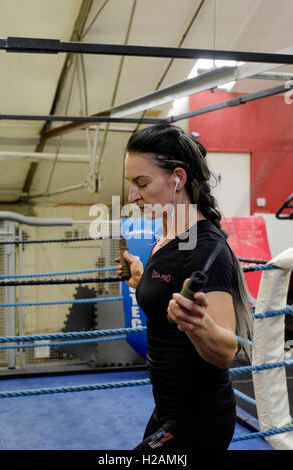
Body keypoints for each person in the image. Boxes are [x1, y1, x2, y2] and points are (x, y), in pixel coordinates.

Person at [115, 123, 253, 451]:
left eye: (142, 183)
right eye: (130, 184)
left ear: (178, 178)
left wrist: (199, 325)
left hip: (199, 417)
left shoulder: (206, 250)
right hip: (167, 409)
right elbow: (168, 289)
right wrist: (141, 279)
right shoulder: (165, 239)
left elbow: (225, 350)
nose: (132, 196)